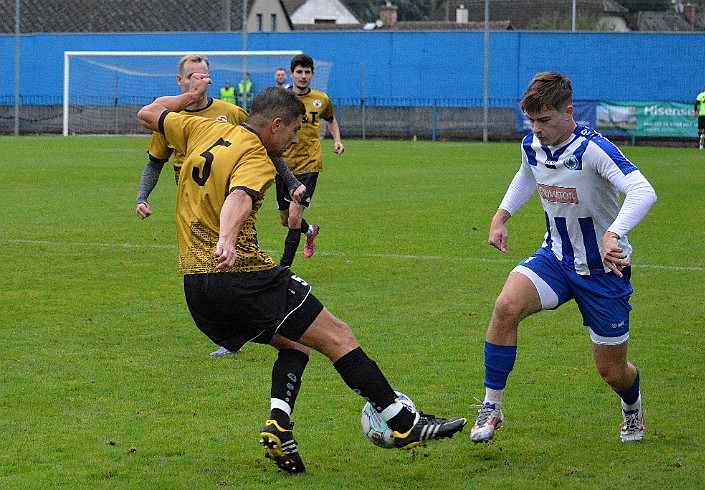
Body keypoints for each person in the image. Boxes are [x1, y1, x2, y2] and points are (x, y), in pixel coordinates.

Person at [137, 79, 467, 474]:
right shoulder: (257, 157)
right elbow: (238, 198)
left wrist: (187, 100)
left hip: (197, 285)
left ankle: (280, 425)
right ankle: (403, 423)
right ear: (275, 125)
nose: (295, 141)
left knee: (296, 345)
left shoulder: (202, 127)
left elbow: (148, 112)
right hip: (242, 275)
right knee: (339, 337)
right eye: (294, 131)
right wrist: (226, 239)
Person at [470, 72, 657, 445]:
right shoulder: (532, 146)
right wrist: (500, 217)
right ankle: (492, 406)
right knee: (506, 306)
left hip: (605, 271)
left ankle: (632, 408)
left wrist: (613, 233)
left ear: (568, 112)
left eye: (544, 120)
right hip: (555, 259)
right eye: (532, 121)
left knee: (612, 372)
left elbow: (643, 190)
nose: (536, 129)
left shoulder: (593, 149)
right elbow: (526, 176)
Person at [134, 53, 304, 358]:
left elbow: (268, 143)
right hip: (193, 204)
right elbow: (155, 161)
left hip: (235, 195)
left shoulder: (229, 113)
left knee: (232, 258)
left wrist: (290, 181)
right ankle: (244, 329)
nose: (200, 81)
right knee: (212, 270)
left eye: (204, 75)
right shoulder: (178, 120)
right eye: (192, 77)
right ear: (181, 82)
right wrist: (142, 196)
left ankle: (251, 328)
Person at [277, 53, 345, 267]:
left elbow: (331, 119)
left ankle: (284, 269)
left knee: (295, 217)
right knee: (285, 220)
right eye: (299, 72)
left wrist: (337, 140)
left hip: (309, 164)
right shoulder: (282, 99)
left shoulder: (321, 99)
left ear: (313, 74)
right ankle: (310, 231)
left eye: (307, 72)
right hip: (283, 164)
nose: (303, 76)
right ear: (291, 74)